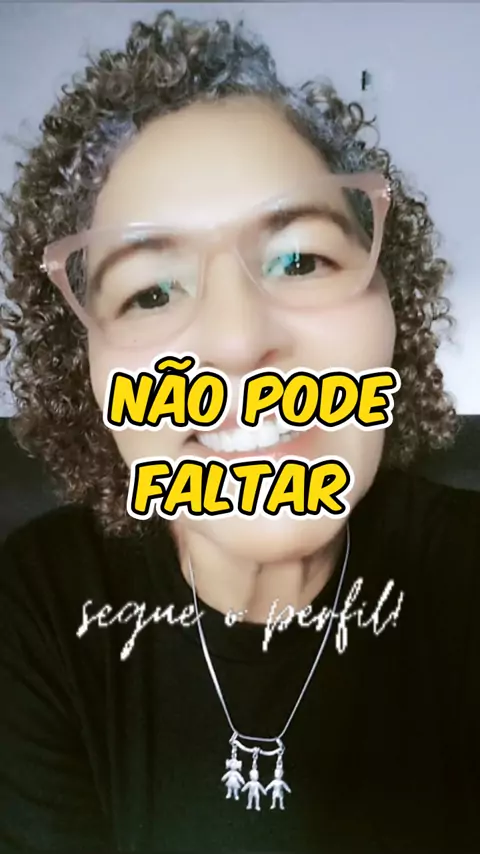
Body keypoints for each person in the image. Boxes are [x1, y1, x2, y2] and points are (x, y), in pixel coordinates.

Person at [0, 9, 478, 853]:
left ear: (392, 305)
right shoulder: (31, 609)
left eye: (301, 259)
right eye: (151, 292)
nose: (235, 343)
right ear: (87, 379)